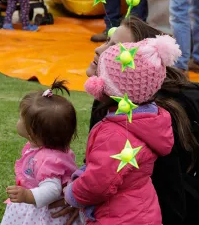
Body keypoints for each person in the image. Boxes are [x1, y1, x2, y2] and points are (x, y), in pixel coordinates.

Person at [51, 17, 199, 225]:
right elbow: (100, 162)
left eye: (115, 48)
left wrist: (77, 198)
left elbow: (172, 200)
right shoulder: (111, 103)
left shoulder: (152, 119)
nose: (99, 50)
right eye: (107, 41)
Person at [63, 35, 181, 224]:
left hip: (116, 218)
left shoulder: (115, 133)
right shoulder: (147, 120)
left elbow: (98, 183)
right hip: (141, 212)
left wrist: (72, 194)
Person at [1, 80, 85, 225]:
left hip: (41, 213)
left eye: (21, 118)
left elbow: (53, 188)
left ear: (33, 132)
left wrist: (27, 195)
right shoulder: (43, 149)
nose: (18, 120)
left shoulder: (48, 160)